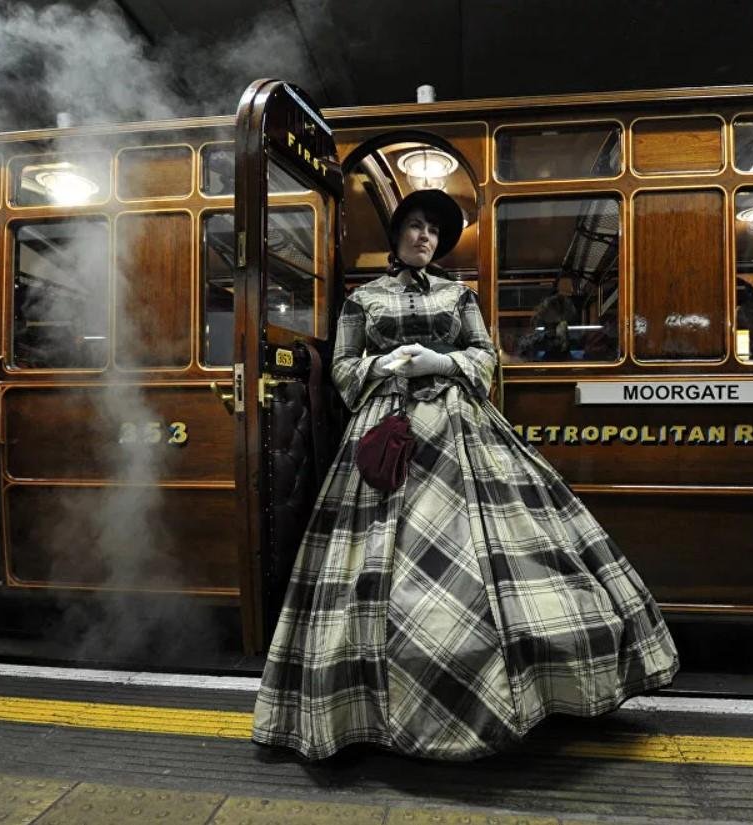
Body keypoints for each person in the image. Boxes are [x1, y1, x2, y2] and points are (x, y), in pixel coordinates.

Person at [252, 189, 678, 761]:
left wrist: (443, 362)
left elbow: (486, 356)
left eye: (433, 230)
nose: (424, 237)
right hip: (390, 428)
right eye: (415, 226)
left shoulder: (460, 295)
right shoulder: (363, 299)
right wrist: (382, 365)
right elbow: (345, 371)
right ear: (398, 234)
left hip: (459, 426)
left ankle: (524, 688)